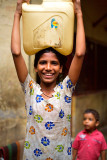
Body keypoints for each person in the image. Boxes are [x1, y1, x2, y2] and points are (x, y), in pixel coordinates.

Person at [11, 0, 86, 159]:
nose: (48, 67)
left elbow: (79, 54)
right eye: (43, 62)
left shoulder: (66, 89)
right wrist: (17, 14)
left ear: (60, 68)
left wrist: (79, 13)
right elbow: (16, 53)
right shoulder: (30, 88)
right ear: (36, 68)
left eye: (54, 63)